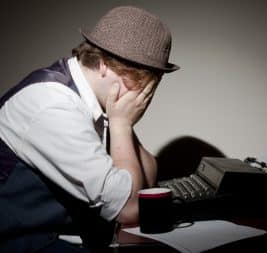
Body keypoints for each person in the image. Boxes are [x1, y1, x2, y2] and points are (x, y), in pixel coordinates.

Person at [0, 5, 179, 253]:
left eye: (153, 84)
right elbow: (129, 210)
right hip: (21, 241)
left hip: (59, 236)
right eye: (140, 81)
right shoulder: (54, 105)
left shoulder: (93, 98)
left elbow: (147, 185)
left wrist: (124, 125)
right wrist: (121, 124)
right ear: (104, 63)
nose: (143, 96)